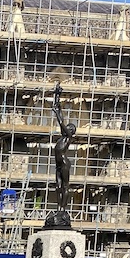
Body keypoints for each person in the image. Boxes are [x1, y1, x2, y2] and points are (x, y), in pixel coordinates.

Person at [52, 83, 76, 212]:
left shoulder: (69, 136)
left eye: (70, 127)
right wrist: (57, 96)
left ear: (72, 131)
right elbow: (61, 118)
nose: (68, 127)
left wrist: (56, 113)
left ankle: (63, 209)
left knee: (65, 186)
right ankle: (58, 209)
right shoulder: (63, 136)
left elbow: (61, 122)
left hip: (64, 162)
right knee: (58, 186)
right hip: (58, 163)